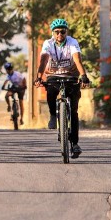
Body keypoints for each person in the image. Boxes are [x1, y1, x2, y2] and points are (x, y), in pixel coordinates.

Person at [34, 18, 90, 158]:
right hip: (53, 75)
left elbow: (77, 59)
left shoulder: (72, 42)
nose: (60, 35)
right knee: (51, 91)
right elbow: (44, 60)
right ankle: (53, 115)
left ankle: (75, 143)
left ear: (67, 32)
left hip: (71, 76)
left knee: (74, 111)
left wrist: (83, 75)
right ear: (52, 33)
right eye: (57, 32)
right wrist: (39, 76)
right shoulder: (48, 44)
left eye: (63, 32)